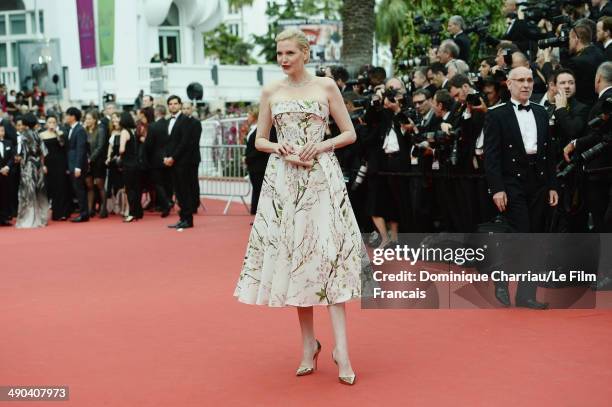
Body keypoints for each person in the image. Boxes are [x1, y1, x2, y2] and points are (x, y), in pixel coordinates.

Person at [234, 28, 368, 386]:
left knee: (328, 257)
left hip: (322, 178)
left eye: (289, 52)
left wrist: (320, 147)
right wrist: (277, 148)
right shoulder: (271, 91)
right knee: (298, 259)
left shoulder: (326, 87)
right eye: (279, 53)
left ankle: (343, 350)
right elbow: (260, 139)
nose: (283, 59)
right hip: (284, 180)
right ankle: (309, 344)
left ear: (306, 53)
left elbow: (349, 133)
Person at [484, 66, 559, 309]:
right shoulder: (496, 115)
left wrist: (552, 186)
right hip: (511, 181)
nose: (526, 84)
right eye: (520, 80)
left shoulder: (540, 111)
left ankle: (526, 295)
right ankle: (502, 279)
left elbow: (549, 153)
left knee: (536, 238)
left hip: (538, 180)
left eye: (529, 80)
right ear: (509, 84)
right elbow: (491, 156)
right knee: (522, 234)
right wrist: (497, 188)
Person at [164, 95, 196, 229]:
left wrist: (173, 157)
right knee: (178, 192)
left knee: (184, 191)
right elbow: (168, 142)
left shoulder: (185, 120)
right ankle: (182, 218)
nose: (173, 106)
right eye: (170, 104)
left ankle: (188, 219)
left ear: (180, 105)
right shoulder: (168, 121)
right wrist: (166, 157)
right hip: (172, 162)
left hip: (182, 162)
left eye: (175, 103)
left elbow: (184, 143)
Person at [15, 113, 48, 228]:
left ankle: (29, 220)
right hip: (39, 166)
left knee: (28, 193)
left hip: (28, 167)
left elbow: (23, 155)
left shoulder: (24, 136)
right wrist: (41, 164)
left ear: (25, 124)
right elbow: (44, 152)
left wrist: (21, 161)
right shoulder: (38, 135)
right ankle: (42, 219)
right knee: (40, 192)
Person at [243, 105, 276, 214]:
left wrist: (247, 158)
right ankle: (256, 213)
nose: (247, 117)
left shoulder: (260, 130)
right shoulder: (252, 129)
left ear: (255, 116)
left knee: (260, 191)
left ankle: (259, 214)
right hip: (254, 166)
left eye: (249, 115)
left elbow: (259, 148)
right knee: (257, 190)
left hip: (259, 166)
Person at [40, 115, 72, 221]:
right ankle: (49, 211)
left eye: (54, 122)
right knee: (50, 187)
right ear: (46, 123)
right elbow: (40, 152)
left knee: (61, 187)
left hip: (60, 163)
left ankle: (61, 213)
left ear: (57, 123)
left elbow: (64, 146)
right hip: (48, 163)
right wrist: (42, 164)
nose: (52, 124)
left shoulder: (61, 133)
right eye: (50, 122)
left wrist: (57, 133)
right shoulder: (41, 135)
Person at [145, 104, 173, 217]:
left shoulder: (153, 126)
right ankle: (168, 202)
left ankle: (165, 204)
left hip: (155, 159)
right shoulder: (168, 125)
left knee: (158, 184)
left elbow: (149, 145)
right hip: (168, 157)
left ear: (156, 113)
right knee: (167, 183)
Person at [65, 107, 90, 222]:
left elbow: (81, 149)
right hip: (72, 164)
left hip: (77, 165)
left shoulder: (80, 130)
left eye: (67, 115)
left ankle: (84, 214)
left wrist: (78, 167)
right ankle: (82, 212)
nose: (65, 117)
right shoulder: (71, 129)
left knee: (80, 189)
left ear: (73, 116)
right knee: (77, 189)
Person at [118, 112, 143, 222]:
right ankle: (138, 212)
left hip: (128, 164)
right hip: (136, 164)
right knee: (137, 189)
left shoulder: (124, 131)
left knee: (130, 189)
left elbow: (122, 149)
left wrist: (118, 154)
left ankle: (132, 213)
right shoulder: (132, 131)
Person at [84, 110, 108, 217]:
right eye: (86, 118)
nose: (87, 121)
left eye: (89, 118)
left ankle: (103, 208)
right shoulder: (84, 131)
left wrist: (91, 158)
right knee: (89, 186)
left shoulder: (101, 130)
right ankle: (90, 209)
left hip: (98, 161)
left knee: (100, 185)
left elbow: (100, 147)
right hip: (87, 161)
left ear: (94, 119)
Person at [0, 125, 15, 226]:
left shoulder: (8, 143)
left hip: (7, 174)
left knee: (6, 196)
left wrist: (7, 167)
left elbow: (12, 157)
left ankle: (5, 218)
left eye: (2, 130)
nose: (1, 132)